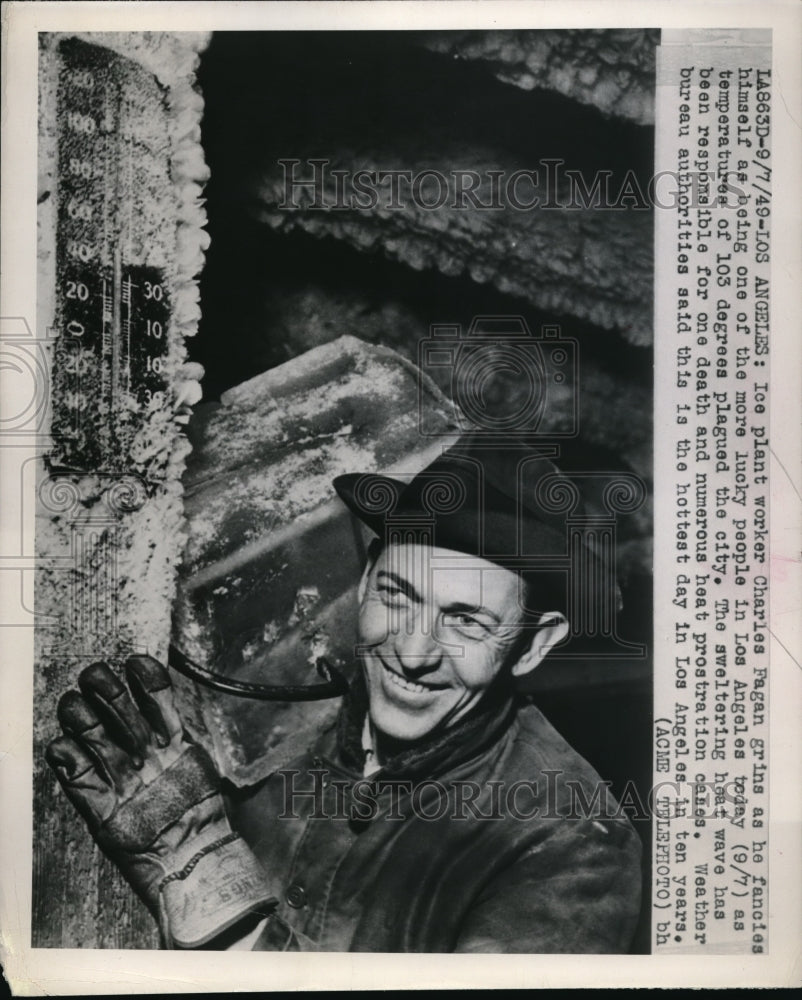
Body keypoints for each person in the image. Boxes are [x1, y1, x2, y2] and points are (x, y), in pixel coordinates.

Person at [46, 440, 643, 952]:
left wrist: (214, 896)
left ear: (533, 644)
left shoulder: (575, 843)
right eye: (398, 596)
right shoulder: (262, 736)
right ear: (364, 583)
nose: (412, 654)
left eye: (466, 622)